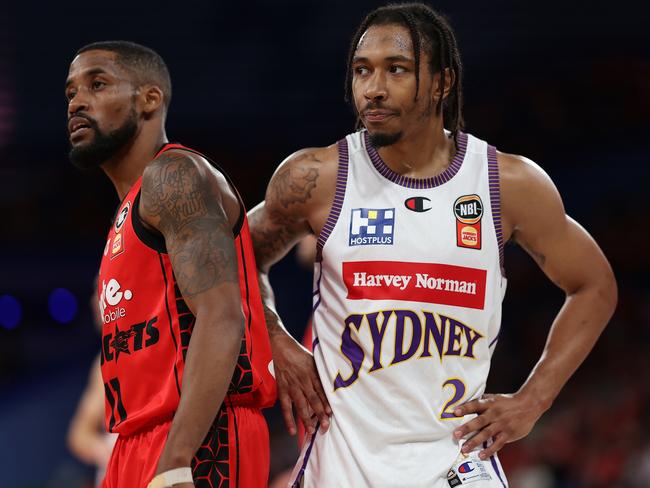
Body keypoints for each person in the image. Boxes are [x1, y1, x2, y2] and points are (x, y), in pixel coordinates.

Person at [248, 3, 617, 487]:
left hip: (454, 464)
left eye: (395, 70)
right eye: (362, 71)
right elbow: (232, 259)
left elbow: (594, 285)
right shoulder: (317, 177)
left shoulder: (506, 183)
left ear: (442, 82)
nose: (373, 88)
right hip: (342, 467)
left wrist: (534, 400)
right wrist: (276, 339)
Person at [65, 41, 275, 488]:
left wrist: (176, 458)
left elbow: (222, 315)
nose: (78, 102)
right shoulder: (131, 207)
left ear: (149, 99)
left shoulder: (173, 175)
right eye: (71, 93)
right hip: (136, 439)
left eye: (97, 84)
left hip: (199, 437)